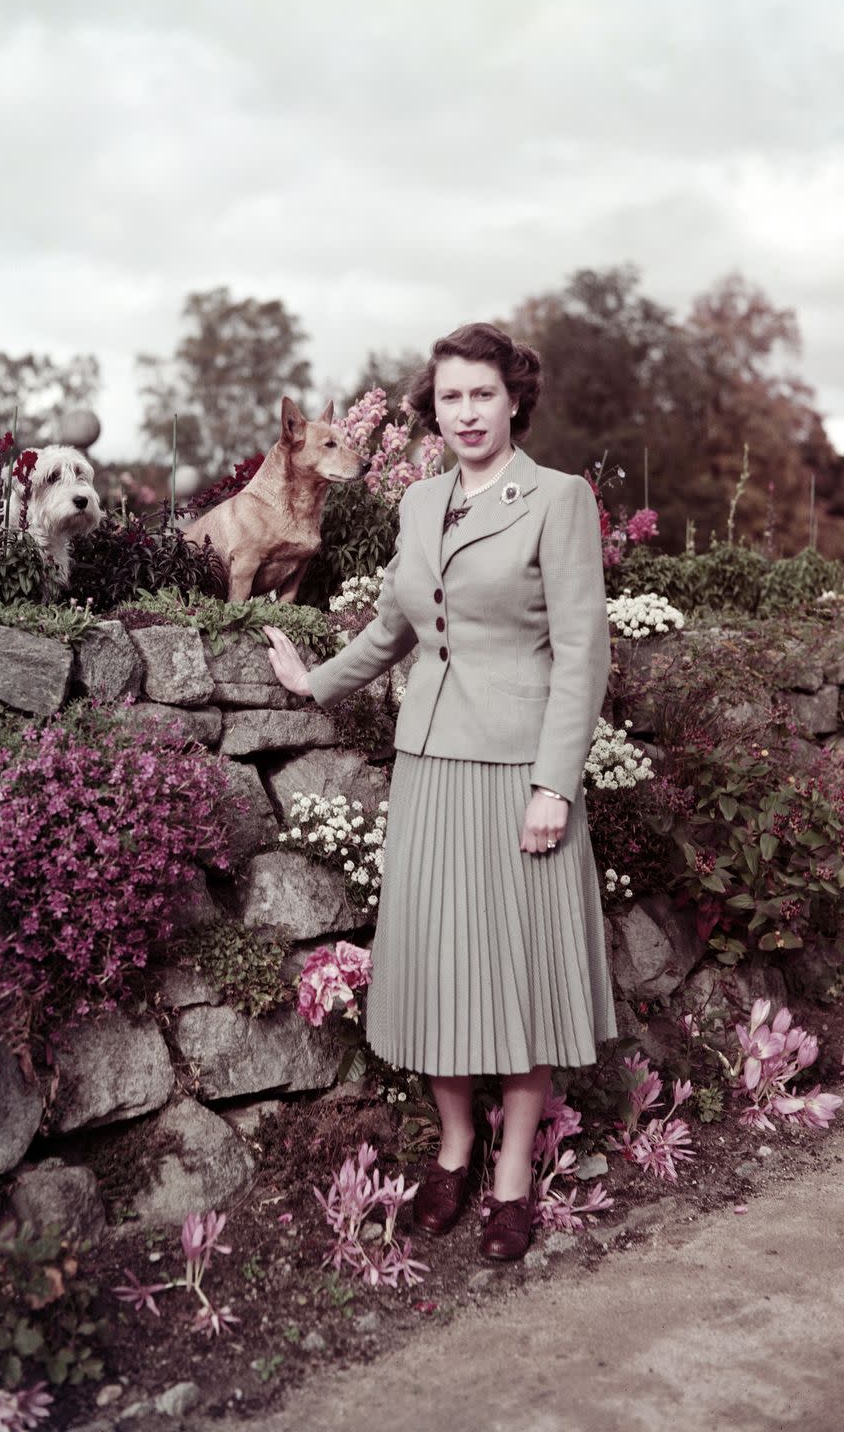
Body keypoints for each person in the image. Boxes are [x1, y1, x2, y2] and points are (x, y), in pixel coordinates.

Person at [263, 322, 617, 1262]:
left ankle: (510, 1176)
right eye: (451, 396)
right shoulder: (420, 505)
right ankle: (455, 1149)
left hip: (518, 778)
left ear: (513, 401)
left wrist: (555, 784)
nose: (467, 412)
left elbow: (584, 655)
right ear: (437, 406)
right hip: (429, 769)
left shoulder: (559, 499)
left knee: (520, 973)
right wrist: (316, 683)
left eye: (483, 395)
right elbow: (392, 627)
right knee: (440, 968)